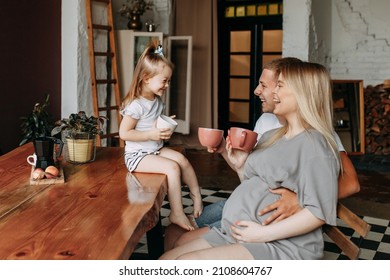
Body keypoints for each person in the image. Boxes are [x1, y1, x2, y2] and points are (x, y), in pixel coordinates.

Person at [163, 58, 359, 250]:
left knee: (182, 249)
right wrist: (229, 155)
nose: (259, 91)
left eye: (269, 85)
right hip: (243, 209)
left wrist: (300, 200)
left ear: (299, 91)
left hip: (262, 222)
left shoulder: (317, 140)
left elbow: (343, 186)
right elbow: (253, 179)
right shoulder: (269, 127)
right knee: (176, 236)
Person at [119, 40, 202, 231]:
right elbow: (125, 133)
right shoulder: (136, 105)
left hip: (154, 150)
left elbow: (151, 122)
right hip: (137, 156)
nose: (167, 85)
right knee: (172, 168)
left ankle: (196, 196)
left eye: (168, 81)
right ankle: (176, 213)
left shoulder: (156, 100)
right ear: (146, 78)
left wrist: (163, 122)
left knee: (182, 159)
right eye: (164, 81)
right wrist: (151, 133)